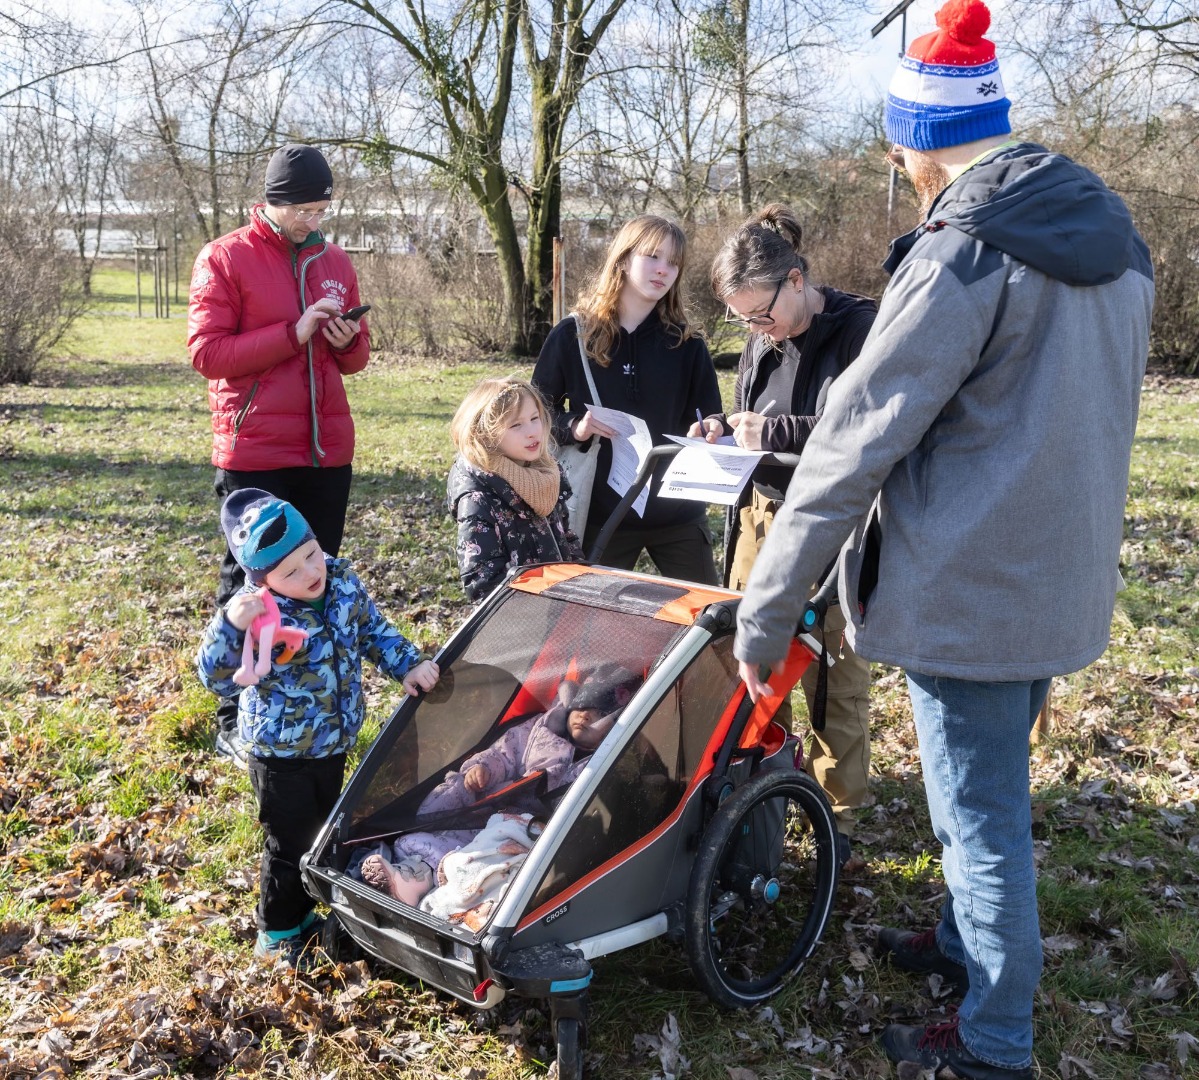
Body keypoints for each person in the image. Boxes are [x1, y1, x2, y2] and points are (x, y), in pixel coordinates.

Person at [731, 2, 1153, 1077]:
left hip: (966, 587)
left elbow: (850, 440)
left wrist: (768, 603)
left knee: (978, 826)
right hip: (1050, 578)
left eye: (895, 150)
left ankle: (990, 1042)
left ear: (914, 147)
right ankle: (965, 947)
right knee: (986, 793)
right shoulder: (1111, 236)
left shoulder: (964, 251)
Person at [692, 203, 878, 869]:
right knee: (748, 655)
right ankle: (758, 788)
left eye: (761, 315)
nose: (755, 331)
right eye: (743, 322)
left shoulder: (861, 328)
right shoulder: (761, 331)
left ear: (796, 280)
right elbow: (753, 412)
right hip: (761, 516)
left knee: (831, 674)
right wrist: (723, 429)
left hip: (833, 522)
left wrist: (769, 435)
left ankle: (837, 814)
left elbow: (861, 427)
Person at [196, 489, 440, 966]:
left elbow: (375, 632)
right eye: (291, 572)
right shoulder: (256, 611)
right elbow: (214, 675)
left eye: (312, 556)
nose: (311, 573)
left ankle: (309, 908)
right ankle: (278, 929)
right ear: (263, 578)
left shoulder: (343, 583)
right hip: (279, 753)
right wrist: (229, 625)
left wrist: (409, 664)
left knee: (324, 831)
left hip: (333, 741)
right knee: (287, 842)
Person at [189, 143, 371, 765]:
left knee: (317, 577)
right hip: (256, 447)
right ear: (269, 201)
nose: (311, 220)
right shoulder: (224, 257)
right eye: (301, 209)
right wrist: (293, 334)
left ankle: (312, 700)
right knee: (251, 582)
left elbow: (356, 359)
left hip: (326, 449)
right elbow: (208, 354)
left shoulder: (336, 261)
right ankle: (231, 714)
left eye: (321, 207)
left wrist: (345, 340)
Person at [532, 215, 722, 583]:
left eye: (673, 262)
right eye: (653, 256)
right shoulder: (573, 335)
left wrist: (711, 426)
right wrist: (575, 426)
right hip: (603, 513)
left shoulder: (687, 344)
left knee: (709, 627)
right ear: (622, 259)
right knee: (592, 630)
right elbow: (535, 414)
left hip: (679, 513)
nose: (663, 270)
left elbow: (710, 414)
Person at [358, 664, 643, 906]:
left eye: (595, 716)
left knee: (476, 852)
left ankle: (416, 876)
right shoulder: (540, 731)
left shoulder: (600, 766)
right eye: (580, 709)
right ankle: (406, 862)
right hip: (489, 801)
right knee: (449, 795)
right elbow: (503, 753)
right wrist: (481, 769)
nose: (584, 716)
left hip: (524, 828)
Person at [448, 375, 585, 603]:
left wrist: (580, 584)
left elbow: (567, 538)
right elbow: (482, 582)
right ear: (486, 435)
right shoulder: (478, 497)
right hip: (516, 621)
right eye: (515, 425)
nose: (532, 432)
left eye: (534, 418)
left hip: (561, 607)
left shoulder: (547, 474)